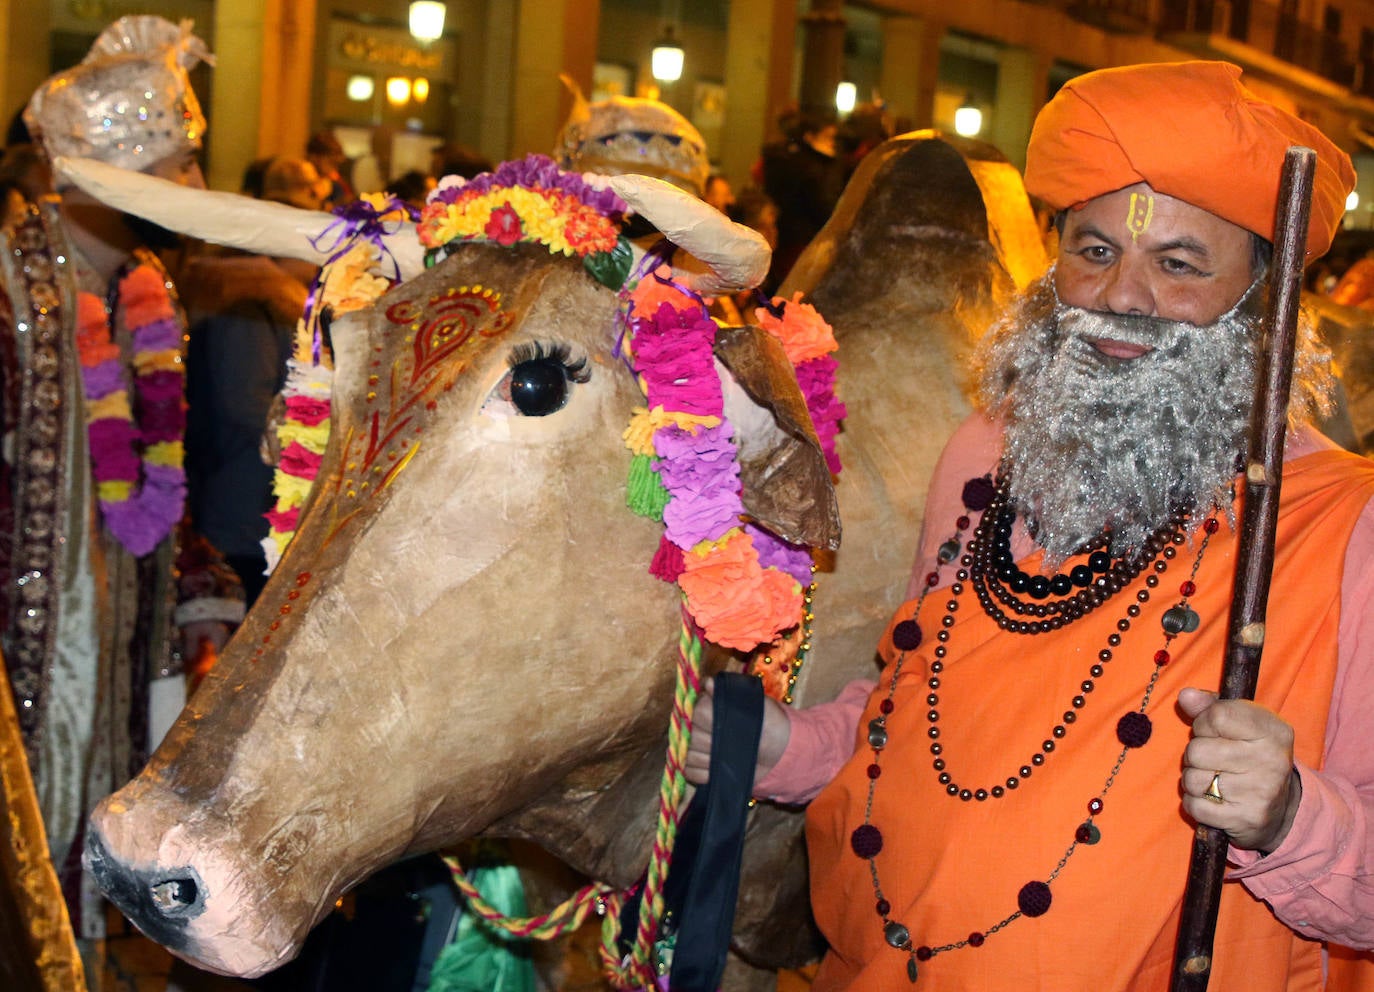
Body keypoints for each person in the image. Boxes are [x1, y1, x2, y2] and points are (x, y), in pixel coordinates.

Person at [688, 60, 1374, 990]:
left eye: (1179, 265)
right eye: (1094, 251)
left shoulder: (1344, 528)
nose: (1121, 297)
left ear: (1265, 300)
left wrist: (1289, 817)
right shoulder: (987, 451)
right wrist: (789, 748)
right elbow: (916, 710)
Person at [0, 15, 243, 975]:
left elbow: (155, 482)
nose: (194, 191)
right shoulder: (8, 286)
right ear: (117, 172)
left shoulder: (151, 292)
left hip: (113, 659)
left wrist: (198, 592)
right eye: (179, 167)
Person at [761, 108, 847, 289]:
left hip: (788, 240)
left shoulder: (787, 159)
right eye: (827, 137)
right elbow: (823, 207)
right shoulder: (811, 169)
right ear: (810, 137)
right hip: (801, 241)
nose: (832, 144)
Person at [305, 128, 356, 209]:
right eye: (331, 162)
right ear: (313, 157)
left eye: (337, 164)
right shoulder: (299, 182)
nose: (334, 170)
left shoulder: (336, 187)